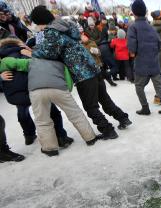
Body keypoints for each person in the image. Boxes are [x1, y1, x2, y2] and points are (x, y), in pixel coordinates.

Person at [29, 5, 131, 140]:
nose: (38, 28)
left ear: (41, 21)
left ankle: (108, 130)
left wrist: (32, 52)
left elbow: (50, 53)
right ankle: (123, 118)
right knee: (104, 99)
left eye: (38, 25)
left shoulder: (52, 31)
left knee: (91, 107)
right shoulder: (66, 26)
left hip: (82, 74)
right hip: (94, 68)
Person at [1, 56, 98, 156]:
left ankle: (50, 149)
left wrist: (2, 72)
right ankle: (90, 138)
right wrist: (66, 90)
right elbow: (68, 81)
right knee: (75, 114)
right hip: (59, 88)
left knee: (42, 120)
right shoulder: (60, 62)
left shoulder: (30, 61)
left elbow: (9, 62)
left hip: (36, 91)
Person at [0, 37, 73, 148]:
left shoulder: (3, 58)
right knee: (52, 111)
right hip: (35, 88)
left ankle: (29, 135)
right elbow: (43, 63)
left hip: (15, 94)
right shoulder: (26, 52)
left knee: (22, 111)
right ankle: (61, 136)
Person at [127, 0, 161, 115]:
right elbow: (159, 42)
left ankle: (145, 108)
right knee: (158, 85)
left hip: (141, 62)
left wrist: (134, 54)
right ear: (145, 12)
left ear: (134, 12)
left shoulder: (133, 27)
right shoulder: (151, 27)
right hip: (154, 61)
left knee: (139, 86)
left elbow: (131, 46)